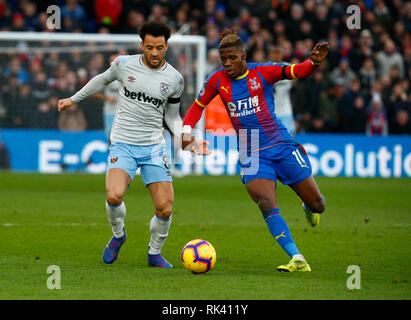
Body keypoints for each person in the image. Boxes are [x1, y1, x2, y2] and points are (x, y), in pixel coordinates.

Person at [181, 29, 328, 273]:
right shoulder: (217, 80)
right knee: (265, 201)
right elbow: (198, 106)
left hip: (279, 143)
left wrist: (313, 62)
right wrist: (186, 131)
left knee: (318, 204)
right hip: (250, 149)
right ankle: (296, 257)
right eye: (223, 59)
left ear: (243, 56)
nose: (227, 63)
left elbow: (296, 71)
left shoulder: (263, 72)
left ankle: (306, 206)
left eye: (232, 58)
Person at [57, 21, 185, 268]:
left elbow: (172, 117)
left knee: (165, 208)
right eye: (150, 47)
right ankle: (118, 236)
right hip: (123, 143)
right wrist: (73, 99)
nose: (155, 53)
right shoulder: (124, 64)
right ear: (142, 45)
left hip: (153, 147)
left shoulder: (175, 79)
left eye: (160, 47)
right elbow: (100, 80)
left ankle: (154, 253)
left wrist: (188, 141)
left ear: (166, 46)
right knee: (114, 195)